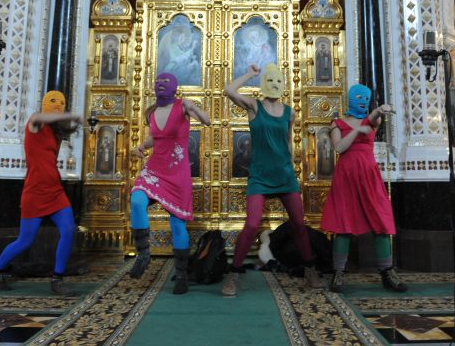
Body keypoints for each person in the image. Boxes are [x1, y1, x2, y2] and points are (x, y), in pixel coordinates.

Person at [222, 63, 323, 297]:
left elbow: (287, 142)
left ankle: (310, 270)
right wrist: (249, 74)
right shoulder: (254, 107)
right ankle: (234, 273)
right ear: (264, 84)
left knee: (299, 223)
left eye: (279, 81)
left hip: (284, 175)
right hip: (259, 176)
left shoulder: (290, 112)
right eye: (271, 80)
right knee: (252, 224)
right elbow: (229, 90)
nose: (275, 85)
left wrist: (291, 167)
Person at [0, 91, 82, 296]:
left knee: (68, 230)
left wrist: (76, 122)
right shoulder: (35, 123)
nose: (58, 106)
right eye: (54, 102)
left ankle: (57, 279)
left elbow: (68, 127)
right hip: (34, 191)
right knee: (25, 240)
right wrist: (68, 115)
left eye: (62, 104)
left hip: (55, 190)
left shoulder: (55, 131)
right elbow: (39, 117)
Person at [320, 84, 407, 293]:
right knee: (343, 224)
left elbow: (373, 119)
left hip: (369, 177)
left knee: (381, 220)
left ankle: (387, 272)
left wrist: (379, 110)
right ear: (350, 98)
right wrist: (356, 130)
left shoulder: (371, 121)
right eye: (358, 97)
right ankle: (339, 273)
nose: (362, 101)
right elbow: (339, 147)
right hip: (346, 178)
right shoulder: (337, 123)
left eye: (366, 98)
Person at [129, 73, 210, 295]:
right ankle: (143, 254)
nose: (160, 85)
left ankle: (182, 275)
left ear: (174, 87)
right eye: (157, 82)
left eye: (165, 83)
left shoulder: (182, 106)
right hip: (155, 168)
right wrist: (142, 147)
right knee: (137, 201)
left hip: (177, 172)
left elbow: (207, 121)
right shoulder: (152, 111)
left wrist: (193, 107)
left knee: (177, 224)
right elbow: (156, 137)